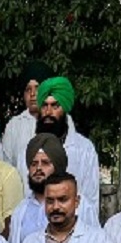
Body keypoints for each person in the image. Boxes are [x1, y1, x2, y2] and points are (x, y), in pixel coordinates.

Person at [26, 76, 100, 218]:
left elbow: (91, 200)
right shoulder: (28, 150)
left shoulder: (84, 150)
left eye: (55, 106)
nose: (48, 112)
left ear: (65, 109)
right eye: (44, 106)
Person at [7, 134, 68, 243]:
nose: (38, 169)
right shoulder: (21, 210)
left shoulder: (79, 206)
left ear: (58, 167)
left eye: (45, 163)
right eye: (34, 164)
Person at [0, 62, 54, 171]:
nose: (32, 94)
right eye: (28, 89)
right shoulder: (14, 125)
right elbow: (6, 166)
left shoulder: (60, 122)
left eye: (37, 88)